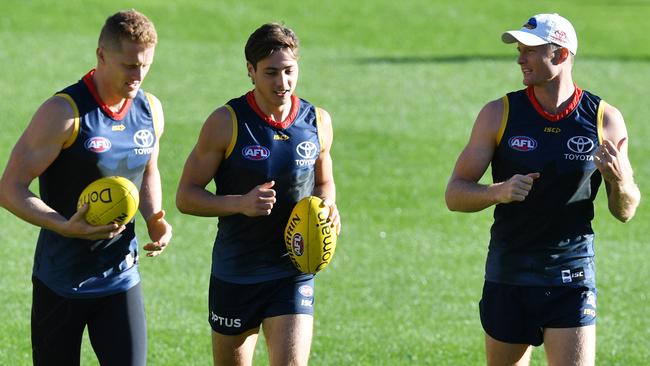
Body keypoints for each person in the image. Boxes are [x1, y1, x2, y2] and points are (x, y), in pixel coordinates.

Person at [445, 13, 640, 366]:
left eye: (530, 50)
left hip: (572, 276)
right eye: (519, 50)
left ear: (562, 55)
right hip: (509, 273)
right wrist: (497, 192)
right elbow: (454, 194)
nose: (520, 58)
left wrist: (619, 181)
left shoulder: (604, 119)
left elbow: (626, 210)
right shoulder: (498, 113)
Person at [0, 9, 172, 366]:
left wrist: (155, 217)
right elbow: (10, 188)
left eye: (145, 65)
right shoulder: (63, 114)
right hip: (60, 280)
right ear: (101, 55)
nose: (138, 75)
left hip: (120, 276)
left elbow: (148, 169)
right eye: (129, 65)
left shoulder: (150, 110)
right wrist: (63, 225)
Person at [176, 22, 340, 366]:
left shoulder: (317, 121)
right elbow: (186, 196)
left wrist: (329, 207)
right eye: (271, 73)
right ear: (250, 71)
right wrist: (240, 204)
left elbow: (324, 182)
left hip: (293, 268)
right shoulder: (227, 122)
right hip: (237, 271)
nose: (283, 83)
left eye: (289, 71)